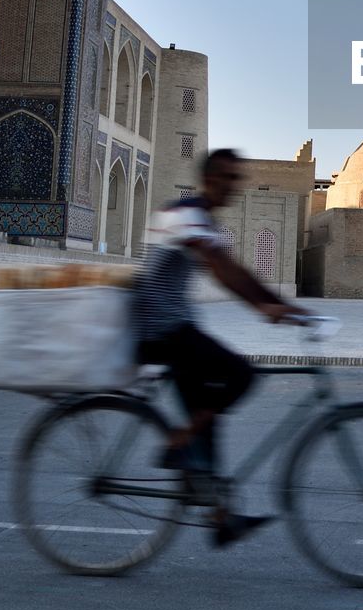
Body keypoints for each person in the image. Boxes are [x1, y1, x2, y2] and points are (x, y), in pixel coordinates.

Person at [134, 147, 312, 546]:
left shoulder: (201, 219)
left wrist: (277, 302)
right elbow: (222, 268)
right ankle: (177, 441)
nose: (235, 186)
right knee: (241, 375)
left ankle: (220, 517)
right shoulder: (186, 215)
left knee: (208, 416)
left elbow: (234, 268)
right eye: (230, 178)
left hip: (173, 328)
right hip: (162, 330)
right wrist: (265, 304)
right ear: (210, 179)